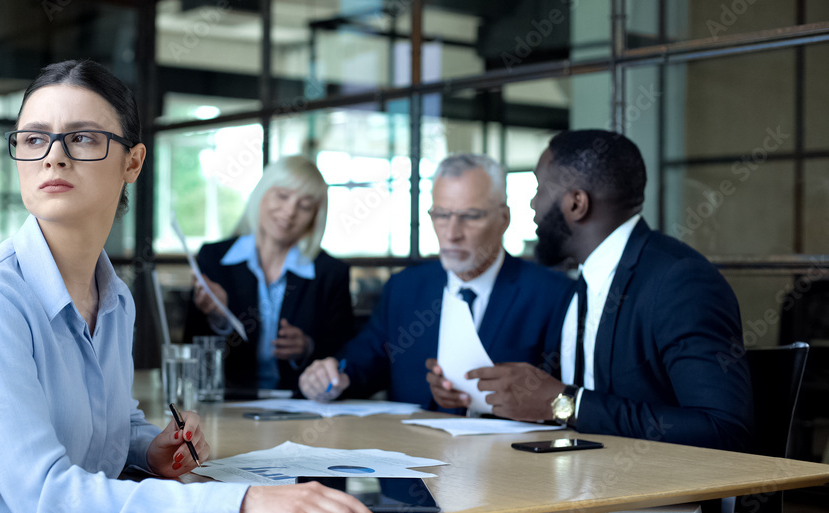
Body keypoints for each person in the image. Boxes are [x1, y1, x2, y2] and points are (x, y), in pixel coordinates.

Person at [0, 60, 376, 513]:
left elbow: (109, 416)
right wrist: (246, 498)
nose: (53, 158)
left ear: (132, 163)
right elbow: (49, 498)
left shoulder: (114, 297)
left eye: (83, 139)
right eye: (33, 139)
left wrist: (146, 447)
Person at [430, 130, 754, 451]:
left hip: (654, 497)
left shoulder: (679, 281)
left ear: (576, 203)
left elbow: (723, 429)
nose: (531, 204)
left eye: (540, 190)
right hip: (578, 483)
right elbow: (561, 402)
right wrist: (480, 395)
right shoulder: (583, 285)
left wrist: (565, 404)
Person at [298, 154, 574, 411]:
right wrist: (330, 374)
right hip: (410, 455)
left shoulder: (553, 295)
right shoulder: (404, 289)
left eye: (470, 216)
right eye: (441, 215)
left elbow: (565, 398)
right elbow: (361, 364)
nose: (452, 234)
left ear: (504, 219)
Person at [184, 155, 353, 397]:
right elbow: (190, 349)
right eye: (282, 196)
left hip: (299, 407)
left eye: (304, 206)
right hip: (227, 403)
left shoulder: (330, 273)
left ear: (316, 217)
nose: (289, 211)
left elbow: (347, 355)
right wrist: (220, 318)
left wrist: (308, 348)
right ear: (262, 194)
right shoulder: (214, 259)